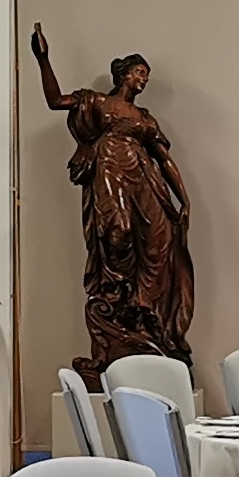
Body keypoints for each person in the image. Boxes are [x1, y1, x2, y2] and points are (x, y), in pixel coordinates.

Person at [32, 25, 194, 379]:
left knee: (157, 242)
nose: (143, 80)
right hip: (109, 167)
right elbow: (55, 100)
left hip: (143, 178)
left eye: (146, 76)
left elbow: (164, 160)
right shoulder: (97, 102)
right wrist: (43, 58)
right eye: (139, 72)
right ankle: (114, 311)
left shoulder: (145, 119)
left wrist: (183, 199)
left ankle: (141, 312)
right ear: (124, 74)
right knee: (116, 234)